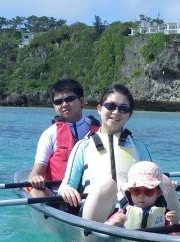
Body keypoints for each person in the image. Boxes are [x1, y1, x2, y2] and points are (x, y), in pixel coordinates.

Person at [58, 84, 149, 222]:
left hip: (132, 211)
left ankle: (173, 233)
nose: (116, 112)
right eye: (111, 106)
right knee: (108, 184)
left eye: (124, 109)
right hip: (95, 213)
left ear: (129, 115)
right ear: (99, 109)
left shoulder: (139, 147)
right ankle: (93, 235)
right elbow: (66, 185)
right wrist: (66, 190)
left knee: (165, 182)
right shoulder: (83, 146)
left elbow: (152, 182)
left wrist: (167, 184)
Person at [26, 79, 99, 197]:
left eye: (70, 99)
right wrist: (36, 179)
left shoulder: (100, 131)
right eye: (59, 102)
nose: (64, 104)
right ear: (54, 106)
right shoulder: (49, 134)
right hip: (58, 195)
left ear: (82, 101)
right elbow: (36, 173)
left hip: (92, 195)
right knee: (36, 191)